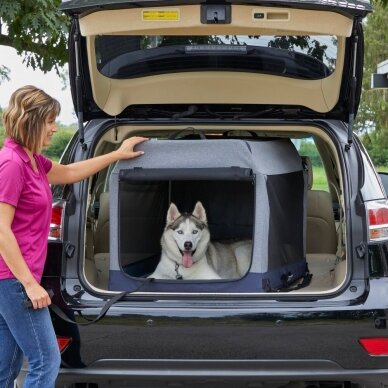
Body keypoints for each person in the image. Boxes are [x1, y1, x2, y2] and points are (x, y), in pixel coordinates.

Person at [0, 85, 148, 387]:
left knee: (7, 365)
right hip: (14, 281)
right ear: (31, 121)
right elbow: (0, 228)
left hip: (14, 281)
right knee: (46, 360)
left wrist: (117, 155)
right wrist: (29, 285)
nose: (54, 128)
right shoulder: (11, 164)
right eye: (50, 121)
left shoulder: (32, 161)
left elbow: (68, 172)